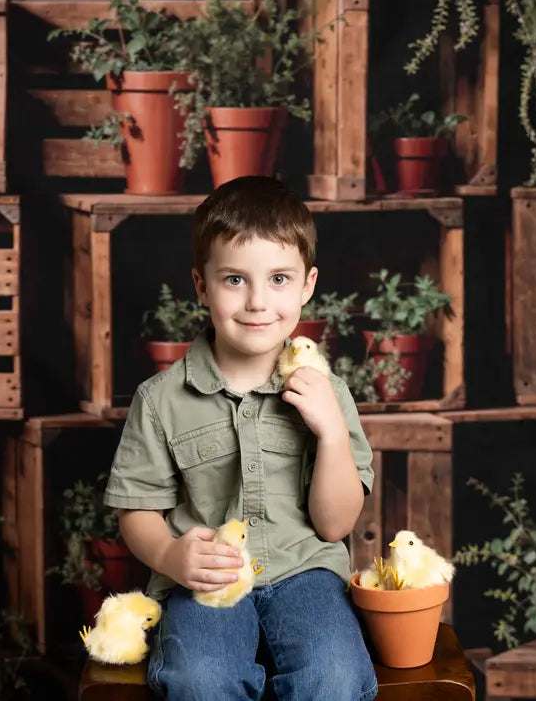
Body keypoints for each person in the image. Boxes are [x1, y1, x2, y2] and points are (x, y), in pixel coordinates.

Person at [103, 176, 377, 701]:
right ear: (202, 285)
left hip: (306, 575)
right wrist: (171, 556)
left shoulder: (327, 393)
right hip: (206, 586)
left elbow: (336, 523)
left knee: (335, 679)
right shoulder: (160, 400)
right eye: (234, 279)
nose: (257, 302)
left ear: (307, 284)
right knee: (200, 679)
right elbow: (136, 511)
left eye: (278, 278)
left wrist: (333, 436)